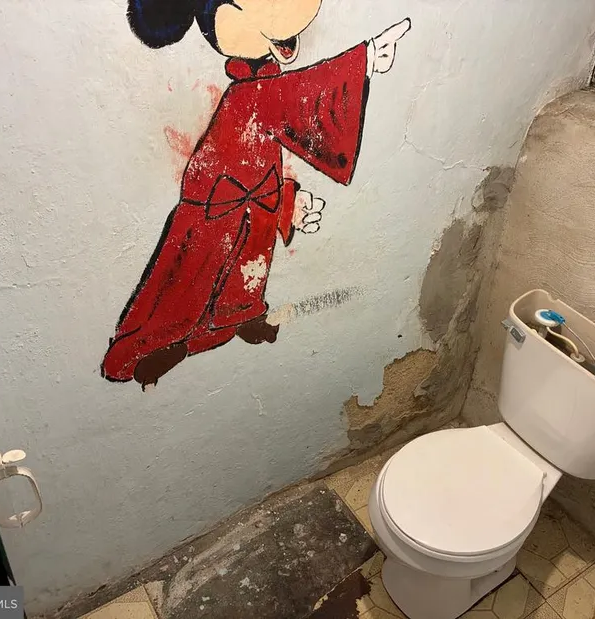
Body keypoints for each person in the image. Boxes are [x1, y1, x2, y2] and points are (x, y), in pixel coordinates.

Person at [102, 0, 411, 389]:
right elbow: (292, 97)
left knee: (245, 265)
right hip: (217, 204)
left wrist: (287, 202)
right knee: (188, 283)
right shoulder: (250, 94)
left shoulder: (259, 87)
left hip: (253, 197)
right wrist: (364, 61)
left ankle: (239, 316)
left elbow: (266, 140)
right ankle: (158, 345)